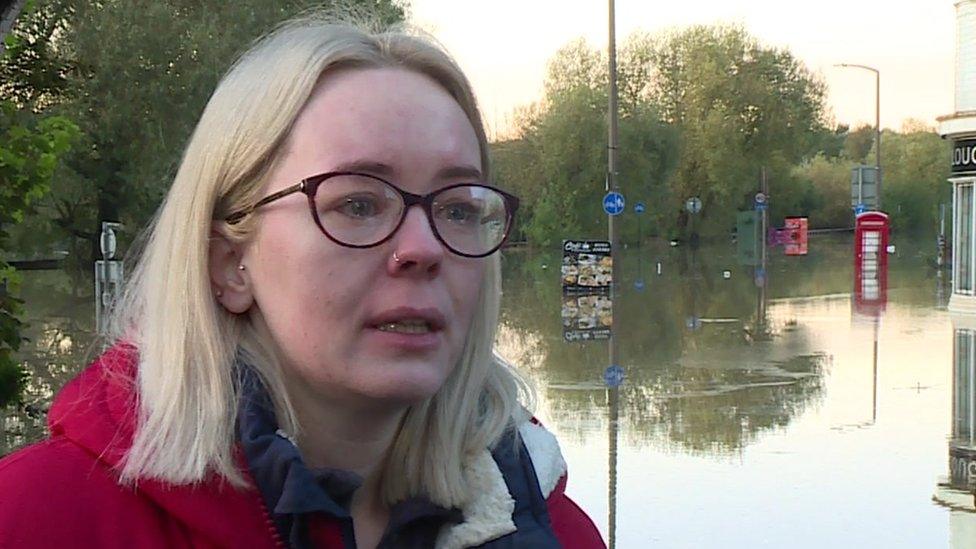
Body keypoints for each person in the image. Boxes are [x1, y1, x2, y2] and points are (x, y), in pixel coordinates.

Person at [0, 15, 605, 549]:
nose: (424, 248)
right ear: (228, 263)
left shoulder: (553, 531)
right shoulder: (39, 519)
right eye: (359, 204)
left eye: (458, 208)